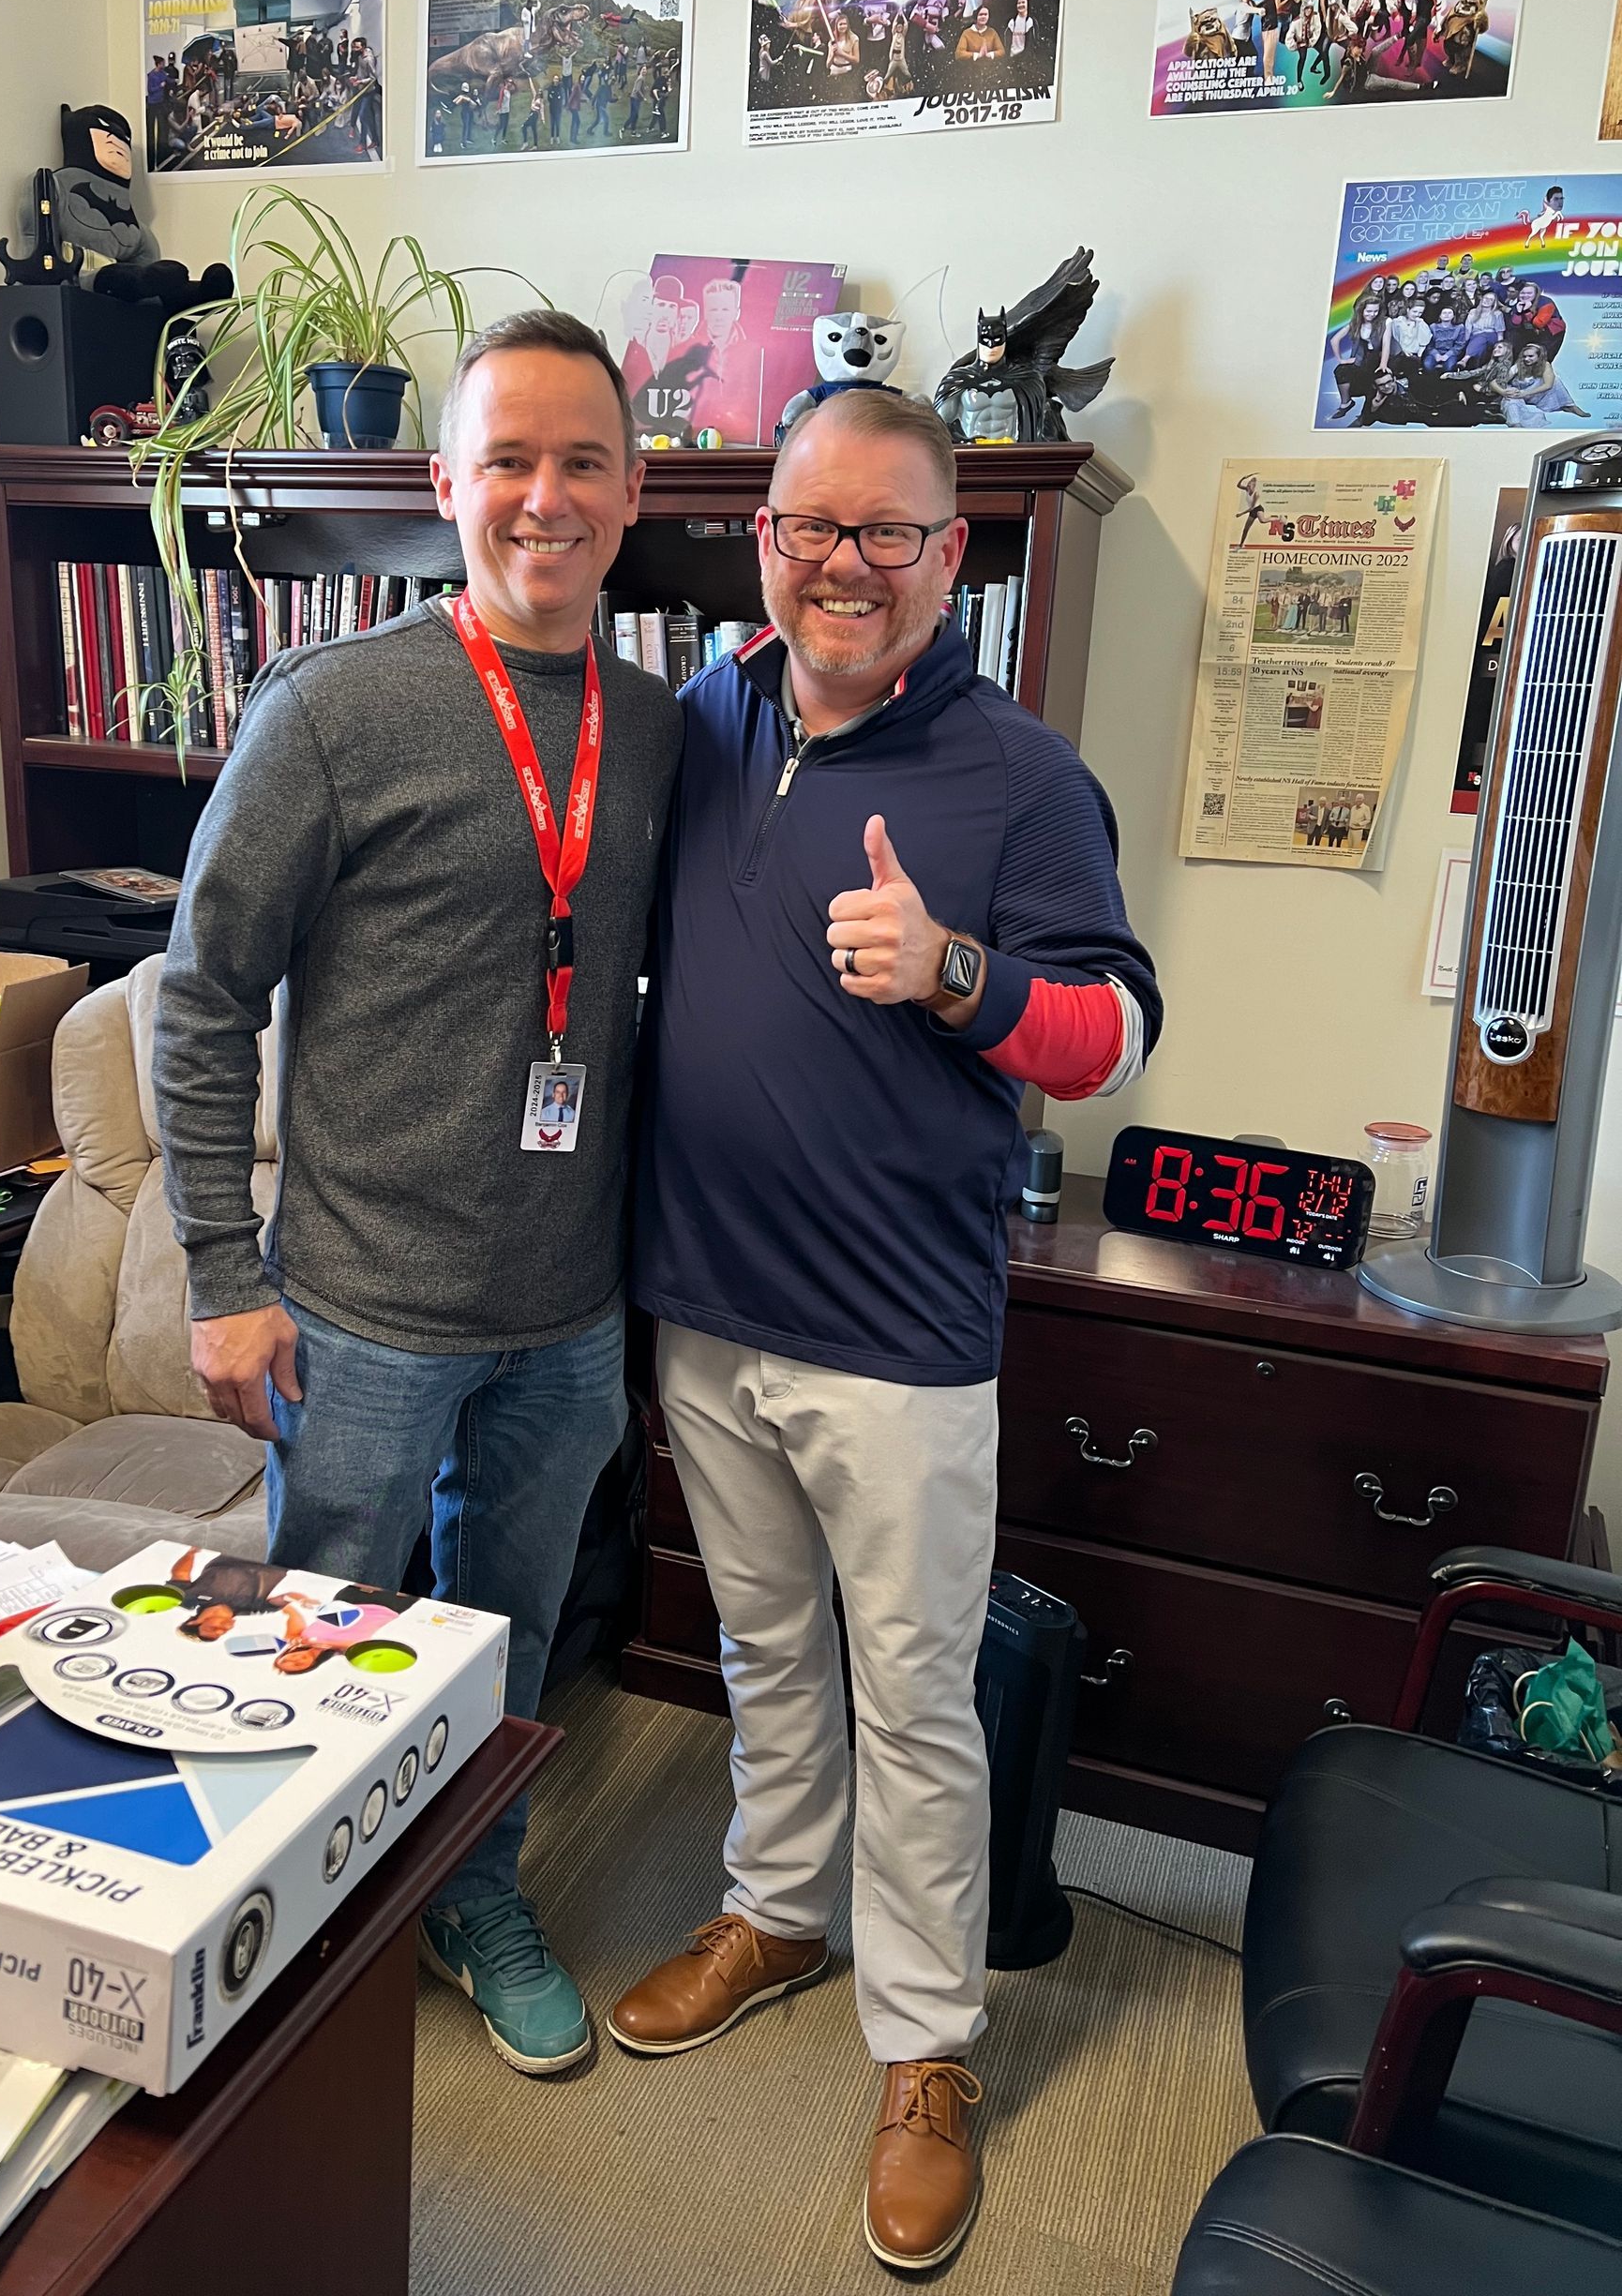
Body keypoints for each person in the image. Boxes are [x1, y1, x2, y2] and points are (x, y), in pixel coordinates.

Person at [612, 391, 1159, 2273]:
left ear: (955, 554)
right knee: (763, 1650)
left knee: (913, 1708)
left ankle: (928, 2049)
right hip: (706, 1303)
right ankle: (776, 1909)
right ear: (760, 532)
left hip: (898, 1339)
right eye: (809, 524)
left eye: (889, 532)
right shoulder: (704, 718)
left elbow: (1113, 1036)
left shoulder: (1017, 778)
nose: (844, 562)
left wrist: (959, 972)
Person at [153, 312, 683, 2078]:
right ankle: (268, 1943)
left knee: (509, 1642)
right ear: (445, 482)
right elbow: (205, 997)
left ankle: (473, 1889)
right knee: (313, 1646)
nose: (545, 496)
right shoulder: (334, 713)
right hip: (359, 1310)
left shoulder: (666, 731)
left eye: (583, 460)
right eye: (508, 459)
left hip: (564, 1310)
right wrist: (225, 1275)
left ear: (631, 491)